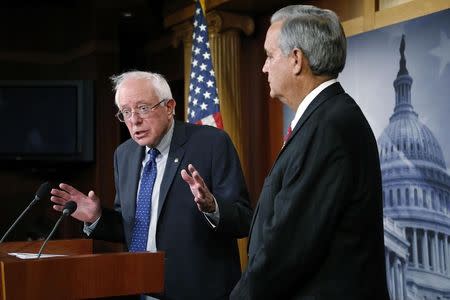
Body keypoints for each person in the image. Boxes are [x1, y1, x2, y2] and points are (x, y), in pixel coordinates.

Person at [227, 4, 389, 299]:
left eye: (269, 55)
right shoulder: (327, 117)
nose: (263, 67)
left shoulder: (329, 126)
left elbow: (288, 247)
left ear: (296, 59)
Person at [50, 71, 252, 300]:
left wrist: (212, 207)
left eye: (143, 108)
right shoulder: (124, 154)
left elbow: (243, 219)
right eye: (126, 112)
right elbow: (133, 227)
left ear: (169, 107)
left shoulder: (212, 143)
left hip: (197, 291)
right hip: (138, 288)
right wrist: (96, 218)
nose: (134, 120)